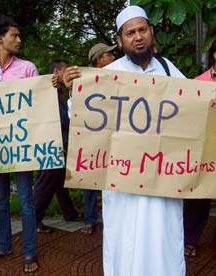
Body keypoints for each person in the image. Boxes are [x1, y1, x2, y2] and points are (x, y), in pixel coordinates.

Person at [63, 5, 185, 275]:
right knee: (125, 242)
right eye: (130, 33)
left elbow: (192, 111)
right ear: (120, 41)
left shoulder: (168, 70)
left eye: (143, 30)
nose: (138, 36)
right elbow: (82, 118)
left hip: (162, 178)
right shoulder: (109, 74)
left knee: (164, 239)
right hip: (122, 182)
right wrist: (75, 91)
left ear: (152, 33)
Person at [0, 16, 39, 273]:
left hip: (22, 145)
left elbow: (37, 104)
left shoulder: (27, 68)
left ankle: (30, 252)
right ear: (1, 37)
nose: (19, 40)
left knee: (25, 199)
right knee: (1, 199)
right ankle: (3, 245)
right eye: (14, 35)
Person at [33, 59, 81, 235]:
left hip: (58, 142)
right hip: (50, 145)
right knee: (45, 182)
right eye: (65, 70)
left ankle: (69, 213)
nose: (68, 74)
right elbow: (61, 119)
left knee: (60, 180)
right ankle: (34, 220)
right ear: (56, 71)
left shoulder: (57, 91)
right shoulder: (48, 92)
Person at [183, 39, 216, 257]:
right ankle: (190, 239)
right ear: (214, 54)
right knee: (199, 198)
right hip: (205, 151)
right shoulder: (198, 84)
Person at [80, 43, 117, 235]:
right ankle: (90, 218)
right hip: (93, 137)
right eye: (109, 54)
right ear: (100, 59)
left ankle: (111, 217)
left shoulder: (119, 76)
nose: (113, 56)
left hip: (115, 136)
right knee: (90, 179)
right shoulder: (87, 81)